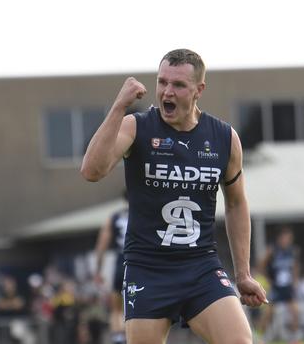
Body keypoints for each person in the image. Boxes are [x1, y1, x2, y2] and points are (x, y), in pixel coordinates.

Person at [81, 48, 267, 343]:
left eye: (178, 85)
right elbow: (92, 170)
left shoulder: (224, 138)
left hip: (201, 266)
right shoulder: (137, 126)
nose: (167, 92)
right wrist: (118, 107)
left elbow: (235, 203)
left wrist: (242, 274)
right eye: (162, 82)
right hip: (148, 269)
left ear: (199, 90)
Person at [257, 227, 302, 343]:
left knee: (296, 312)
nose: (287, 241)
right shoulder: (272, 250)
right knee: (269, 313)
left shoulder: (293, 251)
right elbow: (261, 265)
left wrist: (295, 280)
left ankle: (294, 338)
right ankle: (259, 337)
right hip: (276, 286)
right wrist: (268, 279)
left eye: (289, 238)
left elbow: (295, 266)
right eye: (285, 238)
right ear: (280, 238)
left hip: (287, 286)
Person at [94, 200, 129, 344]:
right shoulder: (144, 211)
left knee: (116, 309)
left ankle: (119, 339)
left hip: (121, 260)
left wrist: (98, 270)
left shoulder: (114, 217)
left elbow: (102, 245)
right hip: (139, 261)